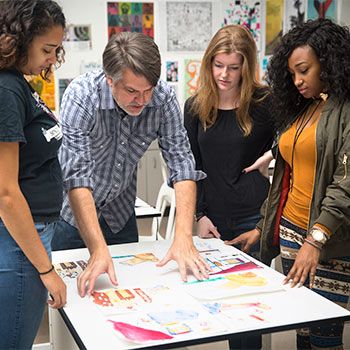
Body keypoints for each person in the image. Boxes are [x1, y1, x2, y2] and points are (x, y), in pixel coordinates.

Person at [51, 31, 210, 297]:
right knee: (73, 301)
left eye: (148, 90)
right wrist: (97, 249)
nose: (142, 100)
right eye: (132, 91)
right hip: (72, 219)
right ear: (110, 80)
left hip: (119, 215)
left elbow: (182, 163)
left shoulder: (162, 98)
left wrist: (184, 236)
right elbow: (76, 178)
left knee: (126, 295)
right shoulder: (81, 97)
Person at [228, 18, 350, 349]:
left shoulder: (345, 111)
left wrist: (316, 241)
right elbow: (287, 176)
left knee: (325, 338)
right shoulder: (305, 107)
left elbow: (345, 185)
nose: (297, 80)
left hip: (327, 242)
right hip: (291, 234)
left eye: (304, 70)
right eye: (292, 73)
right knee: (303, 334)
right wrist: (263, 226)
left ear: (329, 62)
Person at [184, 24, 275, 350]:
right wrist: (199, 215)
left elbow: (297, 138)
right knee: (219, 305)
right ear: (209, 62)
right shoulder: (195, 107)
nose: (224, 74)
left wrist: (271, 154)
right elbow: (190, 168)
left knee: (248, 311)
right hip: (213, 220)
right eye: (218, 65)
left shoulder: (266, 102)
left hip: (254, 216)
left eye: (233, 68)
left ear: (246, 67)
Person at [0, 1, 67, 348]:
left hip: (30, 239)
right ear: (18, 40)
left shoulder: (20, 85)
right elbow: (5, 193)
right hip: (20, 246)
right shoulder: (6, 90)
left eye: (57, 50)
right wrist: (46, 270)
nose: (52, 59)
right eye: (46, 49)